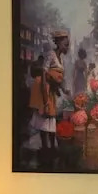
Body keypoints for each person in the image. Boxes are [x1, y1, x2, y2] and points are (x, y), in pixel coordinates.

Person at [28, 30, 70, 166]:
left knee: (51, 118)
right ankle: (46, 148)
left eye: (68, 45)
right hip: (44, 89)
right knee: (44, 116)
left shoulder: (61, 59)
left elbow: (59, 78)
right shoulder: (51, 54)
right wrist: (45, 97)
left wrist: (64, 89)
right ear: (58, 43)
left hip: (52, 90)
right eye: (65, 45)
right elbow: (44, 73)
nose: (67, 47)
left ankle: (51, 147)